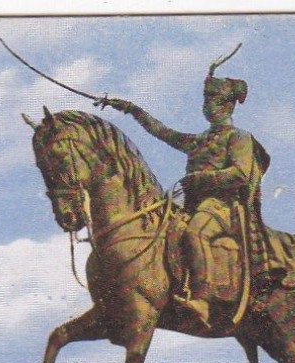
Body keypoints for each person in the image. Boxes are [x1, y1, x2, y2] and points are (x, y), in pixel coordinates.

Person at [99, 49, 274, 325]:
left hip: (224, 207)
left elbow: (240, 173)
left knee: (195, 233)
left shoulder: (239, 138)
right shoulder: (198, 141)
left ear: (228, 106)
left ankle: (203, 300)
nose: (208, 106)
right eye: (206, 101)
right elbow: (160, 131)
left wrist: (201, 179)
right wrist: (129, 108)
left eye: (214, 101)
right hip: (192, 205)